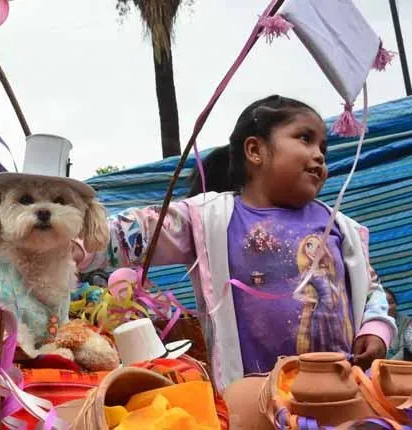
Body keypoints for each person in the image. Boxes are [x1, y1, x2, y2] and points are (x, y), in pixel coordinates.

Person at [82, 95, 395, 389]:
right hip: (255, 398)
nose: (319, 155)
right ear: (255, 150)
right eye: (305, 138)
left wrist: (376, 329)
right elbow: (130, 234)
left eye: (322, 148)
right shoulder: (209, 218)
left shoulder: (341, 227)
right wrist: (71, 242)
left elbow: (370, 290)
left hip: (342, 390)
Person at [386, 289, 411, 359]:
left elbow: (404, 351)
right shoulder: (372, 325)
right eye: (385, 304)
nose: (389, 307)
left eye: (391, 302)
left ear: (396, 304)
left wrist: (385, 364)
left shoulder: (407, 322)